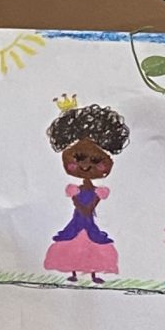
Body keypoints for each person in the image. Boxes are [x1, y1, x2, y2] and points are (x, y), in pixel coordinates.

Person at [42, 97, 130, 283]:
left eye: (95, 161)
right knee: (73, 238)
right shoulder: (76, 189)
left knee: (92, 240)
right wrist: (78, 202)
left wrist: (80, 203)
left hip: (86, 219)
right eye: (79, 159)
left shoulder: (96, 192)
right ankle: (74, 272)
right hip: (78, 219)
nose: (85, 166)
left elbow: (90, 207)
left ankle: (92, 273)